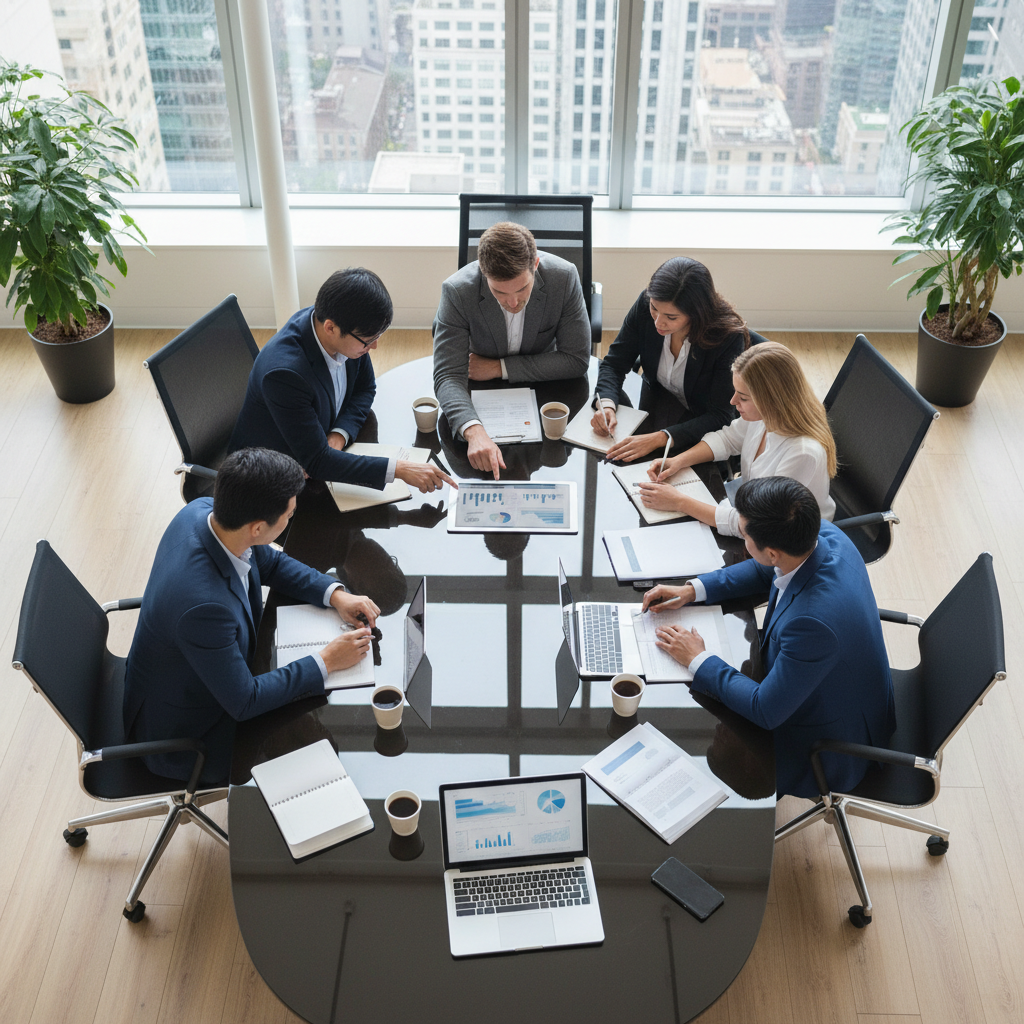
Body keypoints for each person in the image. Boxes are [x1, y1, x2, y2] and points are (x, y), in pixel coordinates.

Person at [123, 448, 382, 784]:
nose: (292, 518)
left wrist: (335, 593)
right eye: (289, 515)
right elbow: (244, 701)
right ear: (258, 527)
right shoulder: (203, 609)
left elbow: (269, 562)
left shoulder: (205, 512)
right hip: (187, 734)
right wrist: (327, 661)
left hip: (201, 674)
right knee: (322, 759)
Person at [641, 476, 895, 799]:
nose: (741, 537)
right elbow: (766, 571)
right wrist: (693, 590)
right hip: (839, 681)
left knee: (702, 766)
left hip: (832, 738)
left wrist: (697, 658)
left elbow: (765, 709)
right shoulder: (822, 534)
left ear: (773, 551)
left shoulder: (813, 624)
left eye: (744, 534)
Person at [230, 268, 453, 494]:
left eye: (378, 336)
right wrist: (399, 469)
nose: (374, 347)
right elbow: (317, 462)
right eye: (368, 340)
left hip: (318, 449)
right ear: (330, 328)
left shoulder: (341, 329)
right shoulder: (285, 375)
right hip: (271, 479)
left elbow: (365, 388)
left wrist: (338, 435)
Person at [433, 221, 591, 479]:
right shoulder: (457, 291)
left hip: (546, 385)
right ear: (484, 274)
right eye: (499, 292)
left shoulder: (564, 278)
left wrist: (499, 368)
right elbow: (448, 375)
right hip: (479, 390)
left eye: (522, 288)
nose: (513, 302)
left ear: (536, 265)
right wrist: (473, 431)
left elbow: (575, 359)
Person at [638, 341, 837, 536]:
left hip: (784, 540)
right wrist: (678, 461)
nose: (733, 402)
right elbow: (728, 439)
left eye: (742, 397)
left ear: (771, 399)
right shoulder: (764, 416)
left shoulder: (802, 454)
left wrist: (679, 502)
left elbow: (753, 525)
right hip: (749, 503)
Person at [590, 257, 746, 463]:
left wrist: (660, 438)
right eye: (654, 308)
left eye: (671, 317)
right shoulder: (646, 305)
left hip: (699, 422)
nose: (658, 322)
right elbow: (614, 363)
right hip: (657, 399)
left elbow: (720, 415)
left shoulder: (728, 338)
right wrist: (606, 405)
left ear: (697, 314)